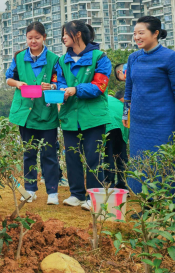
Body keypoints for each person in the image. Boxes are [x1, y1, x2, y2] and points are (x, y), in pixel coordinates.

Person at [123, 16, 175, 196]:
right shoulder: (133, 58)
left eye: (141, 33)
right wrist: (125, 114)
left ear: (156, 33)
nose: (137, 37)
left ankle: (171, 204)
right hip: (139, 123)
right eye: (135, 34)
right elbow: (128, 89)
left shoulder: (171, 58)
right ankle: (145, 203)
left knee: (164, 160)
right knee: (139, 161)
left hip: (163, 122)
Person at [55, 20, 112, 211]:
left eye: (66, 33)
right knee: (71, 155)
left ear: (77, 34)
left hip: (93, 117)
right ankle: (76, 194)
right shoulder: (62, 61)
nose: (63, 37)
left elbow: (99, 86)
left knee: (93, 157)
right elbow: (60, 81)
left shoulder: (100, 57)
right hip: (70, 115)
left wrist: (75, 89)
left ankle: (94, 195)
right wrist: (58, 89)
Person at [5, 22, 61, 205]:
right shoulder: (19, 57)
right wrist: (18, 84)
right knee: (28, 153)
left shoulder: (54, 59)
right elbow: (8, 78)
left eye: (37, 37)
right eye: (30, 38)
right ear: (26, 38)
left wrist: (52, 86)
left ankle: (52, 192)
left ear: (44, 37)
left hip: (47, 113)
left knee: (49, 154)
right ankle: (30, 190)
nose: (33, 41)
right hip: (26, 113)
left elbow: (60, 83)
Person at [104, 90, 129, 189]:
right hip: (122, 127)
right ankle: (123, 186)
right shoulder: (120, 104)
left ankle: (109, 183)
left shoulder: (106, 98)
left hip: (109, 125)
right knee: (121, 156)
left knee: (108, 154)